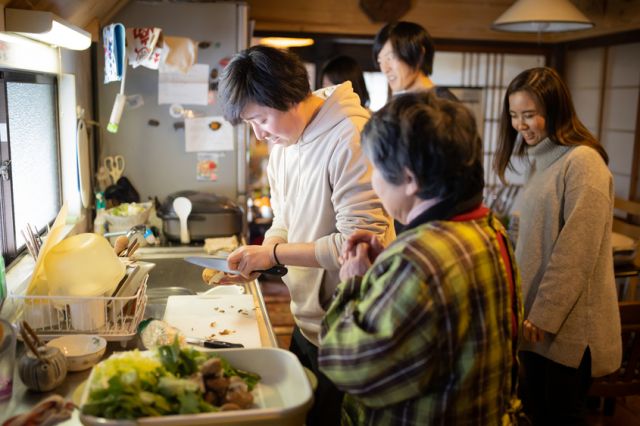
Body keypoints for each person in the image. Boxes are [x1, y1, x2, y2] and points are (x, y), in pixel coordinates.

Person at [319, 91, 523, 425]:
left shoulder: (415, 260)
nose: (373, 182)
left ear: (409, 179)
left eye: (376, 170)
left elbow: (346, 368)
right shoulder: (490, 229)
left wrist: (354, 282)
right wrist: (387, 268)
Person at [217, 45, 395, 426]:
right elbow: (283, 217)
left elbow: (358, 244)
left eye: (260, 119)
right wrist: (261, 253)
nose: (259, 134)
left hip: (353, 325)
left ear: (288, 97)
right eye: (250, 124)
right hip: (308, 319)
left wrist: (275, 256)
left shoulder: (353, 137)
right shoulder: (286, 140)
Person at [493, 66, 622, 425]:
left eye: (530, 115)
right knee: (534, 414)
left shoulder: (583, 162)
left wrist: (543, 315)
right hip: (537, 324)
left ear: (556, 110)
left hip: (567, 327)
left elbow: (575, 252)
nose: (521, 125)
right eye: (515, 116)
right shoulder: (541, 162)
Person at [373, 21, 457, 100]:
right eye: (380, 61)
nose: (385, 69)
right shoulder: (406, 101)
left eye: (390, 58)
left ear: (419, 54)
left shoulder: (441, 102)